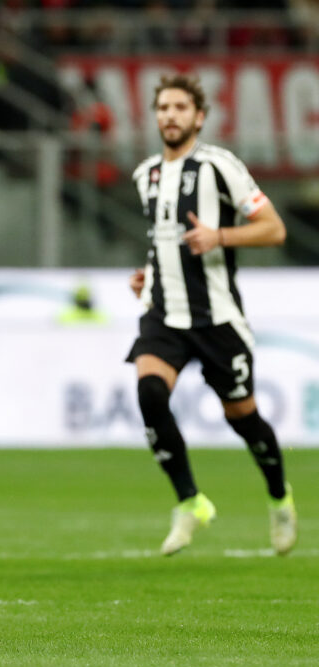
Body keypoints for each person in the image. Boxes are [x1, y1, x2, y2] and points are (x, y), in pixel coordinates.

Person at [127, 73, 297, 556]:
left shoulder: (220, 166)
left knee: (242, 417)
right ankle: (190, 501)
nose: (170, 115)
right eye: (163, 107)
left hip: (217, 317)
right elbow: (163, 240)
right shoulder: (145, 175)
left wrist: (219, 236)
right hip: (164, 313)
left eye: (180, 107)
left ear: (199, 117)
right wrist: (149, 274)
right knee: (149, 391)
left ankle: (279, 496)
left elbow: (274, 229)